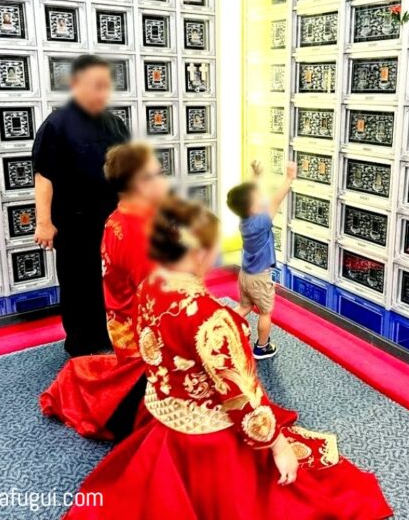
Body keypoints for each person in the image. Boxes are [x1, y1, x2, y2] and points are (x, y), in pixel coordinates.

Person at [64, 197, 392, 519]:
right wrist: (278, 446)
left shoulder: (150, 286)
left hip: (164, 425)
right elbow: (244, 397)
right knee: (309, 497)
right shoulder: (212, 318)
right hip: (210, 443)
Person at [40, 143, 169, 440]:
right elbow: (161, 296)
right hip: (143, 330)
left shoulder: (118, 217)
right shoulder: (138, 232)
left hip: (122, 323)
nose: (164, 181)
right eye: (157, 174)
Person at [33, 55, 129, 357]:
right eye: (94, 85)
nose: (101, 92)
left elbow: (127, 170)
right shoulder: (56, 125)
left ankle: (114, 336)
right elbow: (44, 177)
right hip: (73, 223)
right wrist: (43, 223)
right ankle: (82, 346)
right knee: (78, 284)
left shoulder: (115, 124)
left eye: (105, 86)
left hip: (112, 221)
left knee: (113, 281)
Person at [226, 159, 296, 359]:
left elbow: (246, 197)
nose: (261, 198)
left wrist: (255, 176)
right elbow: (275, 200)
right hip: (259, 277)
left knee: (245, 306)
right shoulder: (262, 221)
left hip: (245, 275)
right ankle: (262, 347)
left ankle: (224, 326)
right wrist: (289, 178)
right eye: (258, 198)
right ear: (253, 207)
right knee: (265, 312)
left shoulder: (244, 220)